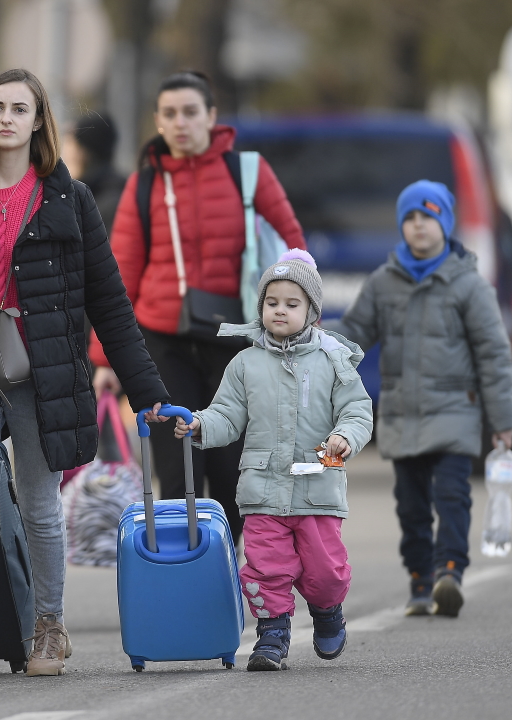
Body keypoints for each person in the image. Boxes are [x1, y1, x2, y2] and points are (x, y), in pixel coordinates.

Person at [0, 68, 171, 683]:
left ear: (40, 120)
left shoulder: (69, 200)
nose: (5, 119)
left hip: (42, 372)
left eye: (20, 109)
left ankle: (50, 625)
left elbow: (110, 303)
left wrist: (147, 393)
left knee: (42, 506)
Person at [90, 71, 306, 542]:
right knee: (177, 470)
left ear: (211, 116)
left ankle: (227, 565)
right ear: (158, 121)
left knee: (233, 473)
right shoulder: (144, 184)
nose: (180, 122)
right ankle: (184, 572)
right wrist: (105, 359)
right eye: (170, 114)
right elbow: (120, 275)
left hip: (236, 344)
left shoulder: (247, 172)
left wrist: (296, 325)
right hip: (162, 342)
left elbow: (294, 252)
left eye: (191, 112)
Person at [326, 181, 512, 618]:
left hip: (455, 413)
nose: (418, 226)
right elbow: (354, 335)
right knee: (410, 506)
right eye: (410, 218)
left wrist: (502, 418)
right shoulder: (383, 282)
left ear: (445, 224)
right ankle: (420, 580)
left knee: (452, 497)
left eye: (427, 218)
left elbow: (494, 354)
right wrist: (315, 345)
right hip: (401, 414)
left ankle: (449, 571)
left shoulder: (469, 285)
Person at [175, 249, 372, 671]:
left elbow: (358, 409)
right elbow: (227, 413)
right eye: (271, 302)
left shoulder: (332, 360)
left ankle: (327, 610)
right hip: (262, 490)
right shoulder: (246, 363)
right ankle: (272, 634)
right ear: (260, 305)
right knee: (266, 568)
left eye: (292, 303)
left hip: (317, 485)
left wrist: (345, 436)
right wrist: (200, 426)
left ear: (313, 312)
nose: (279, 310)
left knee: (326, 573)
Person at [61, 111, 124, 232]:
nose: (64, 156)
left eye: (70, 147)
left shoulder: (106, 203)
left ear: (84, 154)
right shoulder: (107, 193)